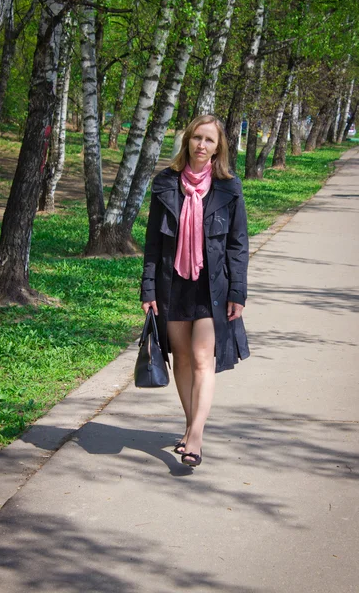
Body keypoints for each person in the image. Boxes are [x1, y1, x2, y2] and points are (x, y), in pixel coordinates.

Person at [141, 114, 249, 467]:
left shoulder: (229, 188)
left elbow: (237, 244)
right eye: (197, 138)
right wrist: (147, 289)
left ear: (219, 149)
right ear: (187, 140)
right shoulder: (165, 184)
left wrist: (238, 292)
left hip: (211, 286)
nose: (202, 146)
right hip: (172, 285)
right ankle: (190, 426)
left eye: (210, 141)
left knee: (204, 359)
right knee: (182, 358)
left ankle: (196, 438)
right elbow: (153, 244)